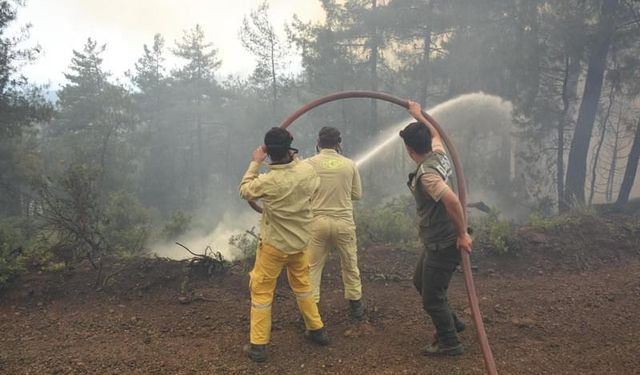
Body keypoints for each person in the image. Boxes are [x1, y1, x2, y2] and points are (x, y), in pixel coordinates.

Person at [239, 127, 329, 363]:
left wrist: (255, 163)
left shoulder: (269, 181)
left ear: (268, 152)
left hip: (274, 247)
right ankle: (317, 330)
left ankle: (258, 346)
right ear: (290, 148)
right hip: (300, 244)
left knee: (261, 291)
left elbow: (245, 191)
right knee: (303, 286)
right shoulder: (307, 170)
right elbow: (312, 185)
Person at [399, 101, 472, 356]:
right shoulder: (438, 155)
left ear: (409, 150)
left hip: (444, 242)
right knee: (420, 281)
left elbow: (452, 200)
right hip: (435, 240)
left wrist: (462, 234)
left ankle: (449, 342)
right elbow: (437, 135)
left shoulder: (428, 175)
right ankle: (452, 322)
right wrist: (420, 116)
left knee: (431, 298)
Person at [306, 127, 364, 320]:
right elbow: (357, 194)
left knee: (312, 268)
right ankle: (356, 309)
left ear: (318, 142)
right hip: (344, 223)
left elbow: (302, 193)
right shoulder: (350, 164)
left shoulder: (308, 164)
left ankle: (311, 313)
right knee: (349, 264)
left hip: (316, 224)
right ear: (339, 143)